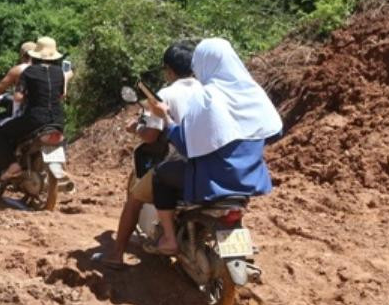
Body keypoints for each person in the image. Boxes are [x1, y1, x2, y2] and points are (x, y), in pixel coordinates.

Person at [148, 38, 282, 255]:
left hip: (212, 181)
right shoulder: (253, 92)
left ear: (202, 64)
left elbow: (185, 144)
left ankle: (169, 239)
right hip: (249, 179)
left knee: (160, 175)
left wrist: (166, 118)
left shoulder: (207, 96)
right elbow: (273, 131)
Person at [92, 41, 198, 268]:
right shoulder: (208, 89)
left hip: (177, 161)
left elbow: (151, 136)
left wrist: (136, 129)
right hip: (207, 161)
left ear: (169, 70)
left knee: (134, 200)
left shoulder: (165, 95)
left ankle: (116, 254)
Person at [0, 36, 66, 194]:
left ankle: (9, 167)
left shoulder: (26, 71)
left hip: (34, 119)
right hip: (58, 120)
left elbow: (17, 97)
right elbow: (61, 96)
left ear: (27, 55)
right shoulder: (60, 73)